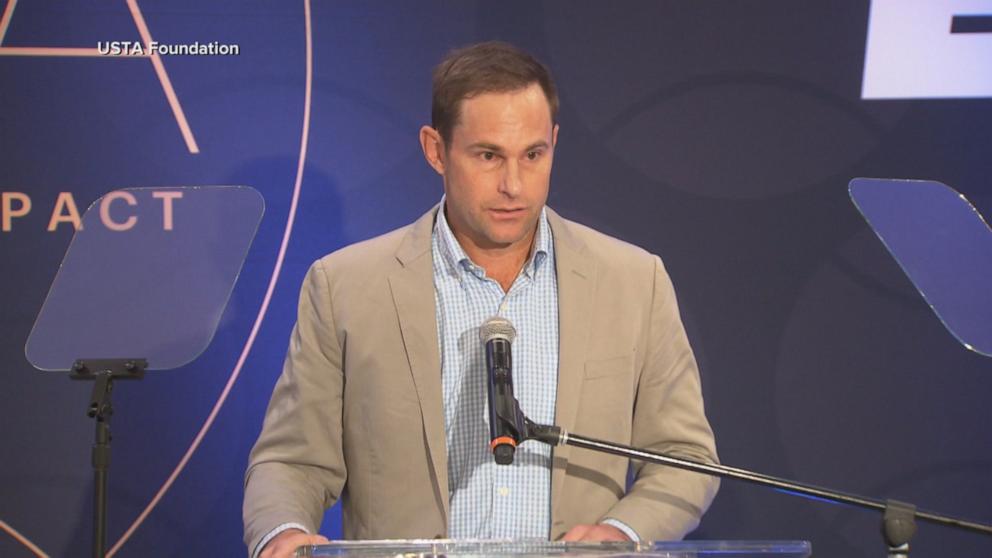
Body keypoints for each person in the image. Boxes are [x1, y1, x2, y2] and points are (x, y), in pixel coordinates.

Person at [243, 41, 719, 558]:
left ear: (554, 143)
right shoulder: (345, 287)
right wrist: (284, 533)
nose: (513, 184)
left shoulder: (633, 281)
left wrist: (623, 532)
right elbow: (293, 461)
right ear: (435, 149)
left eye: (533, 155)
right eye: (489, 155)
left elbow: (684, 456)